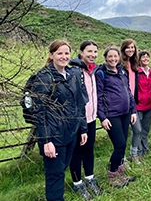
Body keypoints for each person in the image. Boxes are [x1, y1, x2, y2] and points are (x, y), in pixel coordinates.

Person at [32, 40, 88, 201]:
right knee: (55, 174)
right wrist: (46, 140)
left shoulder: (72, 75)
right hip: (53, 135)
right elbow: (39, 111)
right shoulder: (44, 77)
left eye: (66, 53)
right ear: (51, 55)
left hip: (70, 132)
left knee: (61, 170)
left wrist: (83, 128)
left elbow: (79, 103)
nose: (64, 57)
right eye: (59, 53)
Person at [96, 46, 137, 187]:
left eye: (115, 56)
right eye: (110, 56)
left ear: (119, 57)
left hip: (125, 113)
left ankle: (120, 171)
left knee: (123, 143)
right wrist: (102, 117)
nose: (113, 59)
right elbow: (98, 96)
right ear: (106, 58)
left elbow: (129, 92)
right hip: (111, 115)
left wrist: (133, 110)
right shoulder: (101, 73)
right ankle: (112, 174)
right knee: (119, 145)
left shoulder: (122, 71)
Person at [69, 40, 101, 199]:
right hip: (79, 120)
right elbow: (76, 101)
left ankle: (89, 178)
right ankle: (77, 184)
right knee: (77, 152)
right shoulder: (75, 72)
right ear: (81, 52)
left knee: (89, 149)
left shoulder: (92, 71)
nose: (93, 55)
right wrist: (81, 125)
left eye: (95, 52)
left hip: (91, 118)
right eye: (89, 51)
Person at [120, 39, 142, 164]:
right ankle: (122, 159)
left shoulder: (134, 64)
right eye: (128, 47)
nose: (130, 50)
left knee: (137, 130)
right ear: (123, 49)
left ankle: (134, 154)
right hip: (123, 104)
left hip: (133, 103)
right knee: (123, 134)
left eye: (132, 47)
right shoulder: (120, 64)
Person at [136, 51, 151, 155]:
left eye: (147, 57)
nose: (145, 59)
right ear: (139, 59)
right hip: (138, 105)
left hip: (149, 105)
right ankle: (138, 149)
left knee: (146, 128)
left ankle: (145, 148)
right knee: (138, 129)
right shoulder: (136, 72)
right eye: (143, 57)